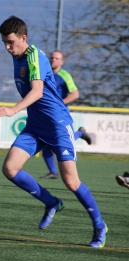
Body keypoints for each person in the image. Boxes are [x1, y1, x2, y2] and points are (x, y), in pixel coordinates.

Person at [0, 16, 107, 248]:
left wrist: (12, 110)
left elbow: (37, 91)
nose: (7, 47)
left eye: (10, 42)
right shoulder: (17, 56)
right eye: (4, 42)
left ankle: (99, 226)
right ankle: (51, 202)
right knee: (10, 168)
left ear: (23, 38)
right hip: (36, 125)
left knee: (71, 181)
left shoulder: (34, 56)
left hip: (57, 124)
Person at [40, 50, 92, 179]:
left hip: (60, 115)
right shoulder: (45, 74)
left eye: (57, 58)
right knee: (46, 144)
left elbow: (75, 94)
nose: (53, 60)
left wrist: (60, 103)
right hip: (47, 114)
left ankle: (80, 133)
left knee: (61, 141)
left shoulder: (64, 75)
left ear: (61, 62)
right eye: (52, 58)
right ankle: (53, 172)